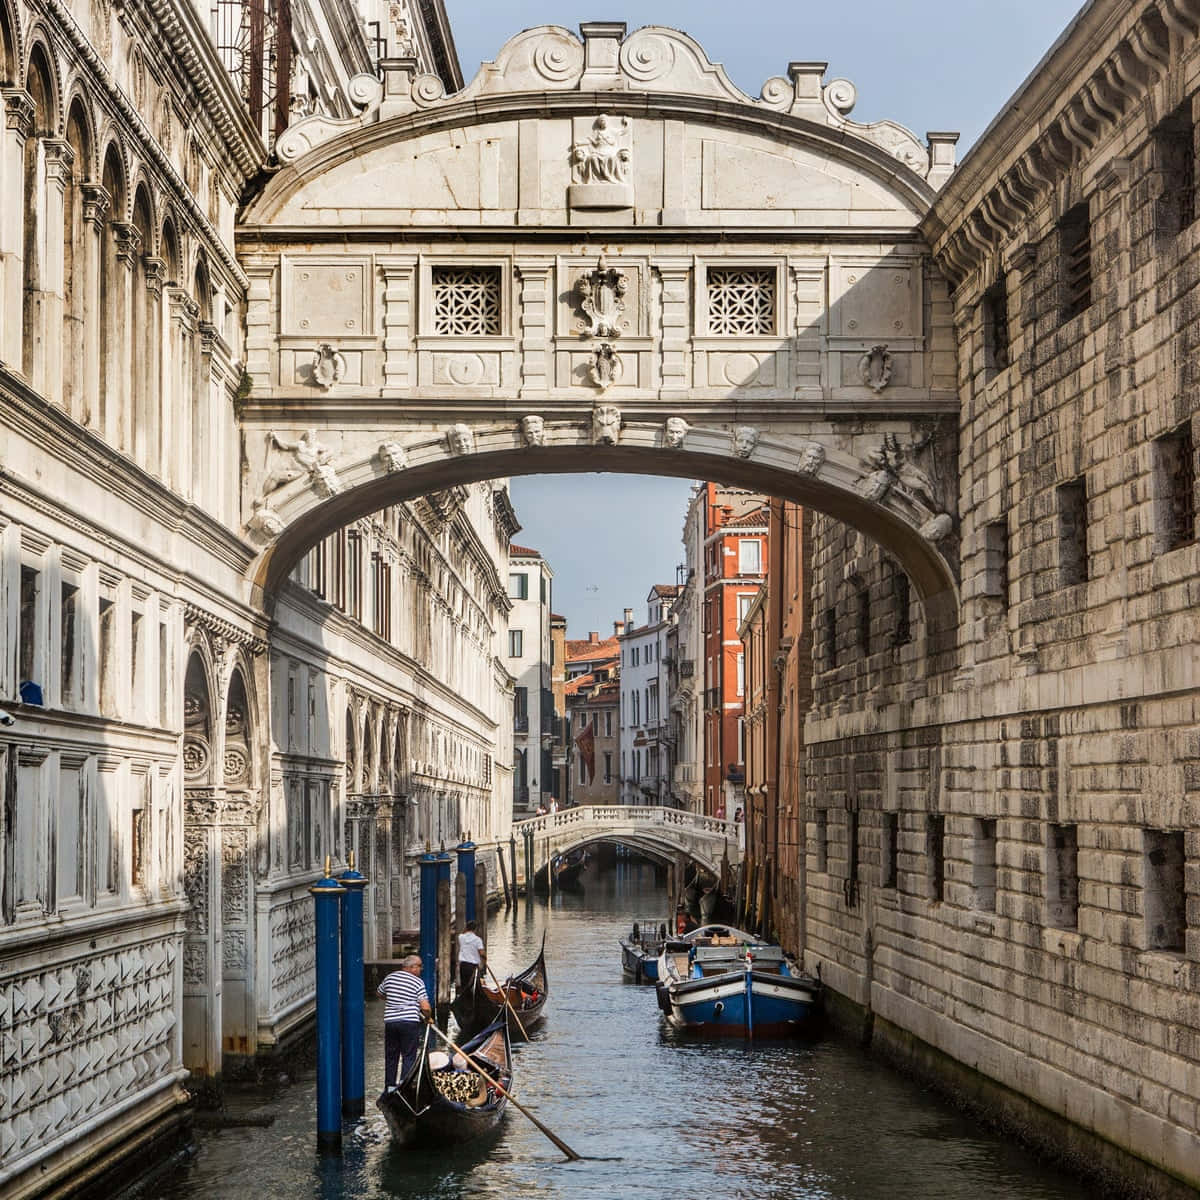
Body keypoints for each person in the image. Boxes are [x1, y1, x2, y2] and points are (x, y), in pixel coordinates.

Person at [377, 954, 432, 1090]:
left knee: (391, 1056)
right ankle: (404, 1087)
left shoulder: (390, 977)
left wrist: (394, 1000)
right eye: (419, 966)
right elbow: (425, 1007)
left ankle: (389, 1087)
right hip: (409, 1022)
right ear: (412, 967)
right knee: (408, 1055)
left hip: (391, 1022)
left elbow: (379, 993)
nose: (421, 969)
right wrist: (428, 1017)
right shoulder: (417, 982)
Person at [457, 919, 486, 996]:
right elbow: (482, 953)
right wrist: (485, 958)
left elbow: (462, 933)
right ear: (475, 929)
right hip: (473, 967)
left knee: (464, 985)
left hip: (463, 965)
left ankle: (465, 1001)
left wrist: (465, 929)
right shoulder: (478, 940)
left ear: (466, 928)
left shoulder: (461, 937)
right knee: (474, 986)